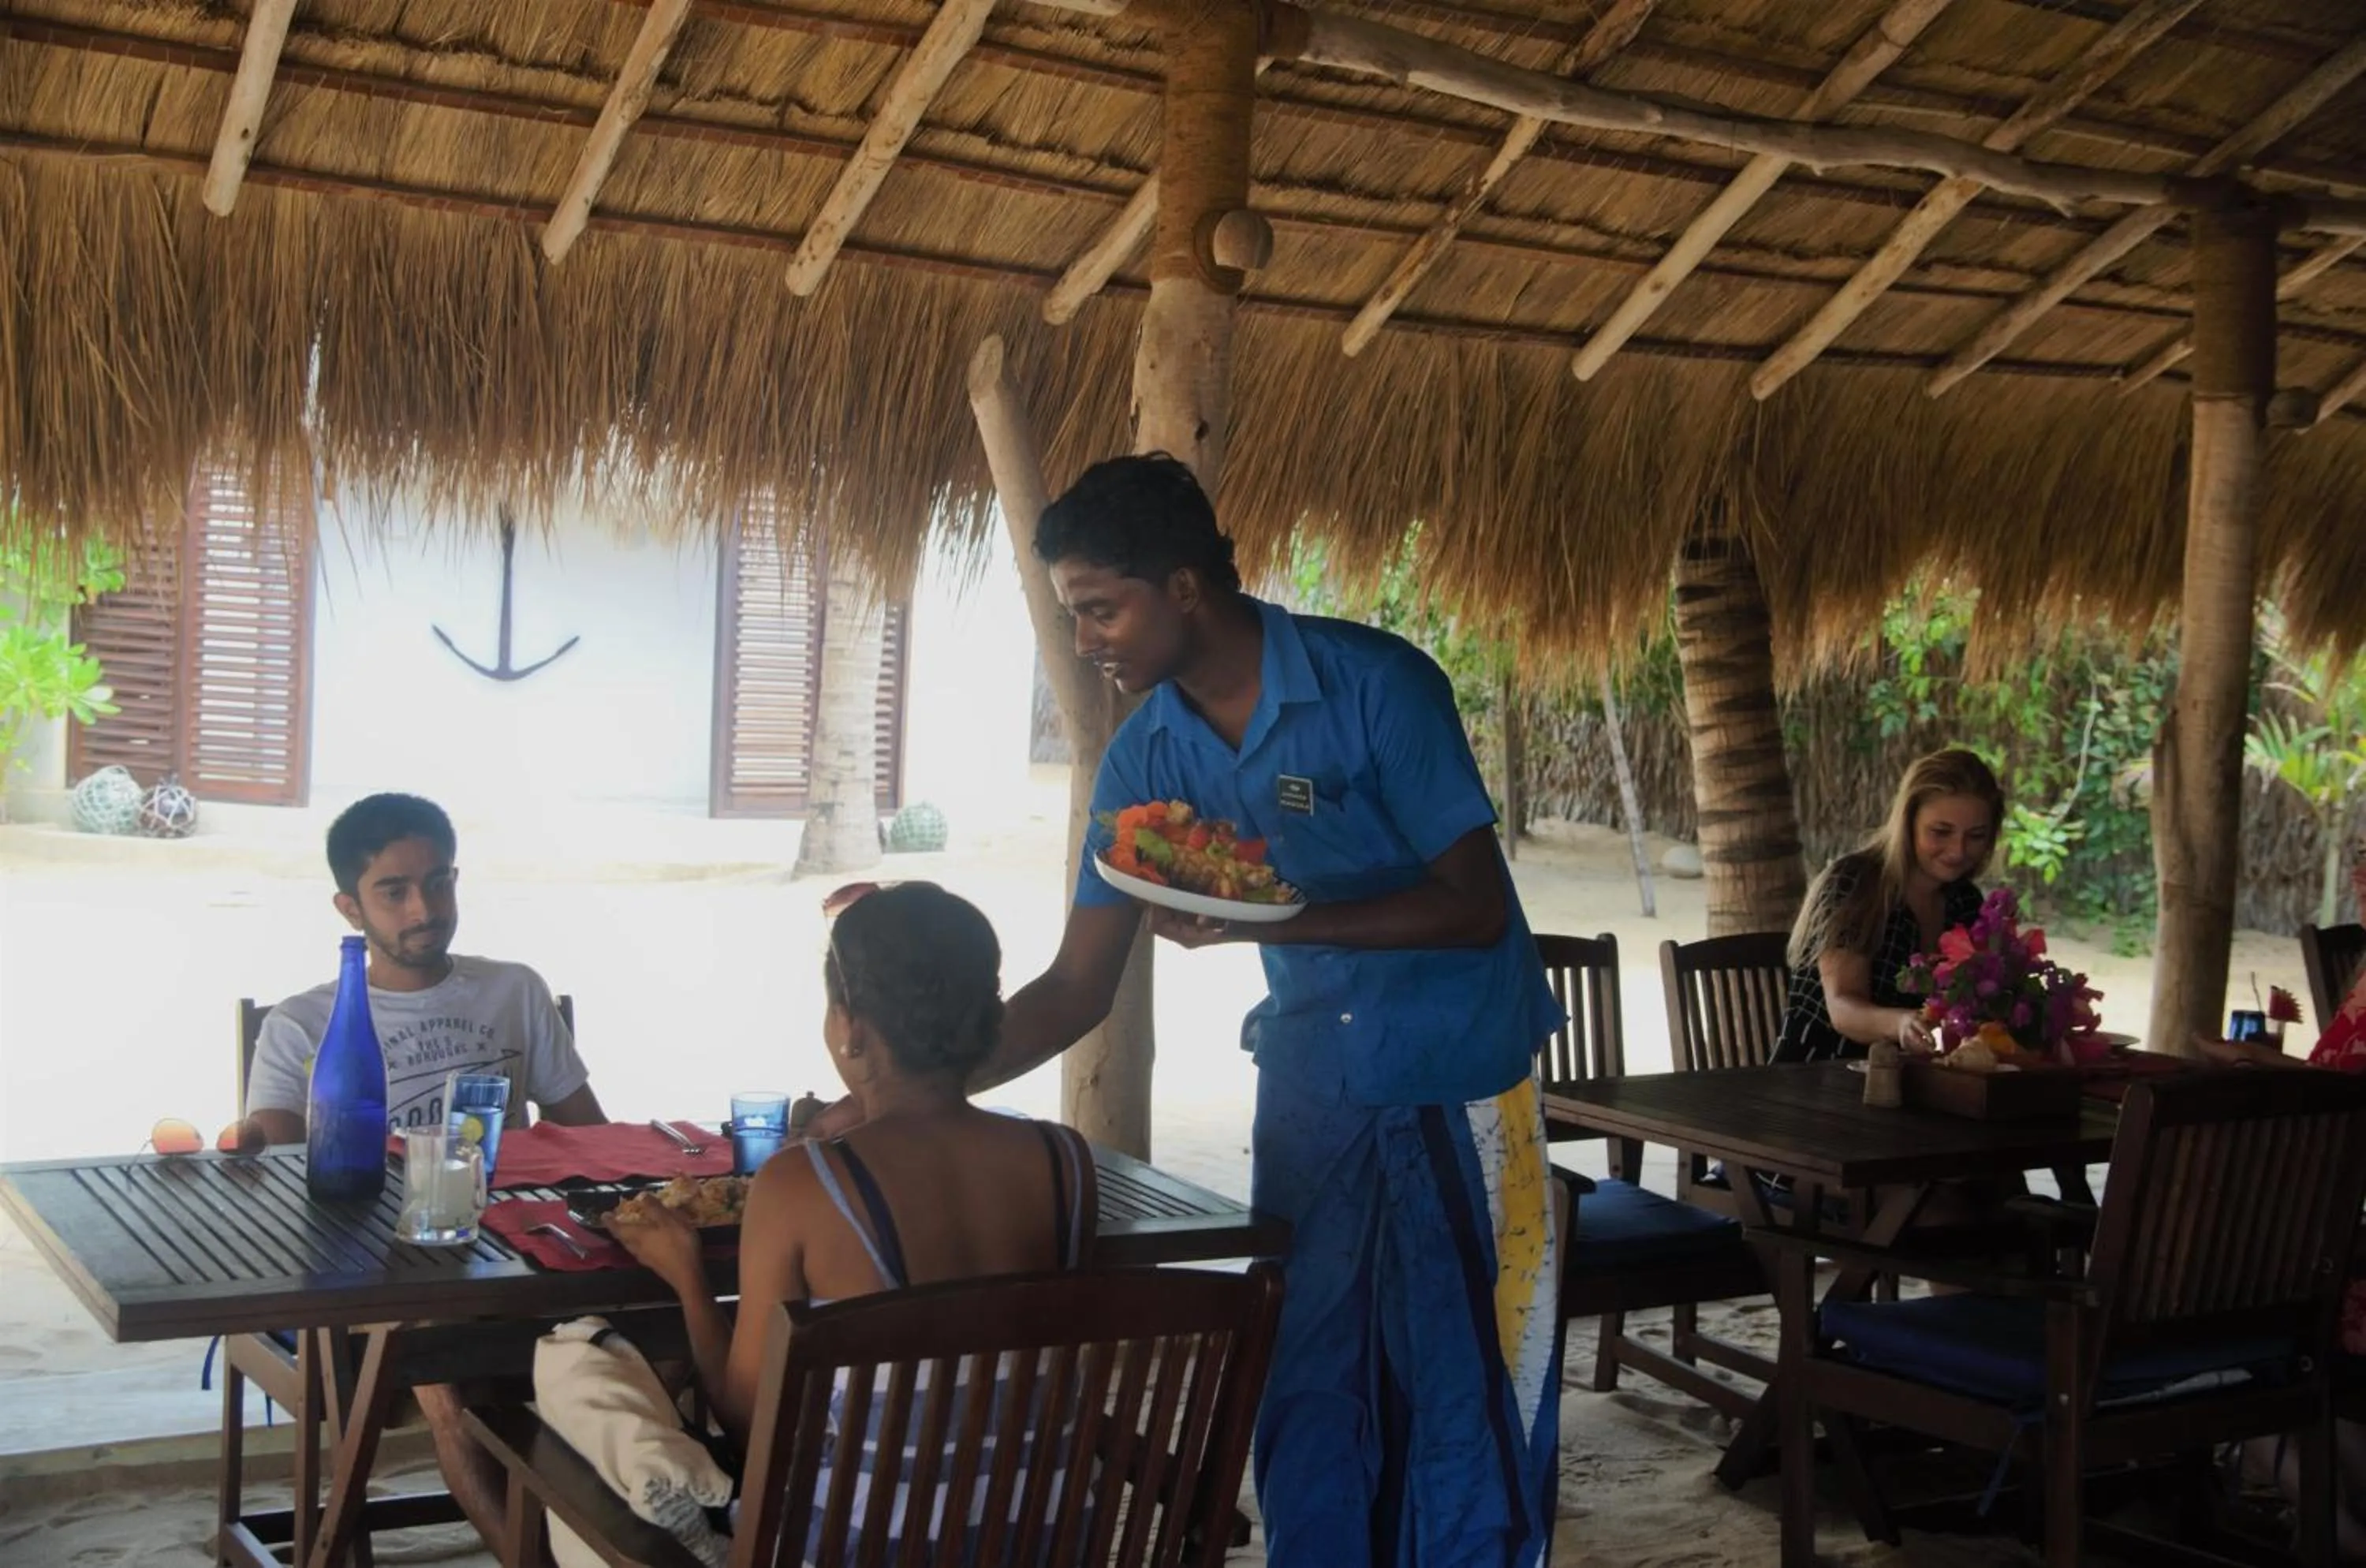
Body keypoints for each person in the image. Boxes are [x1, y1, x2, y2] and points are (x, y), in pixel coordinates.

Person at [808, 454, 1565, 1566]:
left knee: (1467, 1371)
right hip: (1311, 1083)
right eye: (1075, 616)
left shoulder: (1376, 686)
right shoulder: (1145, 761)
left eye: (1100, 609)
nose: (1087, 641)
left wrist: (1272, 928)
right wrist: (897, 1095)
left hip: (1457, 1072)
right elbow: (1074, 988)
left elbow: (1472, 912)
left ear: (1185, 589)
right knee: (1308, 1367)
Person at [543, 883, 1097, 1562]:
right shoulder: (1064, 1162)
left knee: (571, 1389)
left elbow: (751, 1420)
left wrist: (687, 1275)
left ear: (849, 1025)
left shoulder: (806, 1185)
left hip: (853, 1546)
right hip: (1040, 1541)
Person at [237, 791, 607, 1547]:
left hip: (513, 1257)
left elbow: (593, 1145)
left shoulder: (514, 990)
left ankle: (611, 1541)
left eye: (439, 882)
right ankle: (532, 1556)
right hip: (370, 1274)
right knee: (445, 1355)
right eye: (395, 890)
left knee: (667, 1329)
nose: (425, 907)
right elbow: (277, 1185)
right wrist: (246, 1143)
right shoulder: (302, 1025)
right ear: (350, 908)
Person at [2204, 838, 2366, 1556]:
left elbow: (2345, 1103)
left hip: (2341, 1259)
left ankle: (2329, 1522)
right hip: (2343, 1223)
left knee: (2196, 1289)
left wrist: (2269, 1071)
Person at [1773, 748, 2005, 1064]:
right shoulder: (1855, 884)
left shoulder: (1965, 901)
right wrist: (1900, 1023)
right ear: (1907, 823)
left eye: (1976, 836)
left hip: (1910, 1085)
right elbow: (1842, 1008)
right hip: (1819, 1077)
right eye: (1941, 832)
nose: (1957, 851)